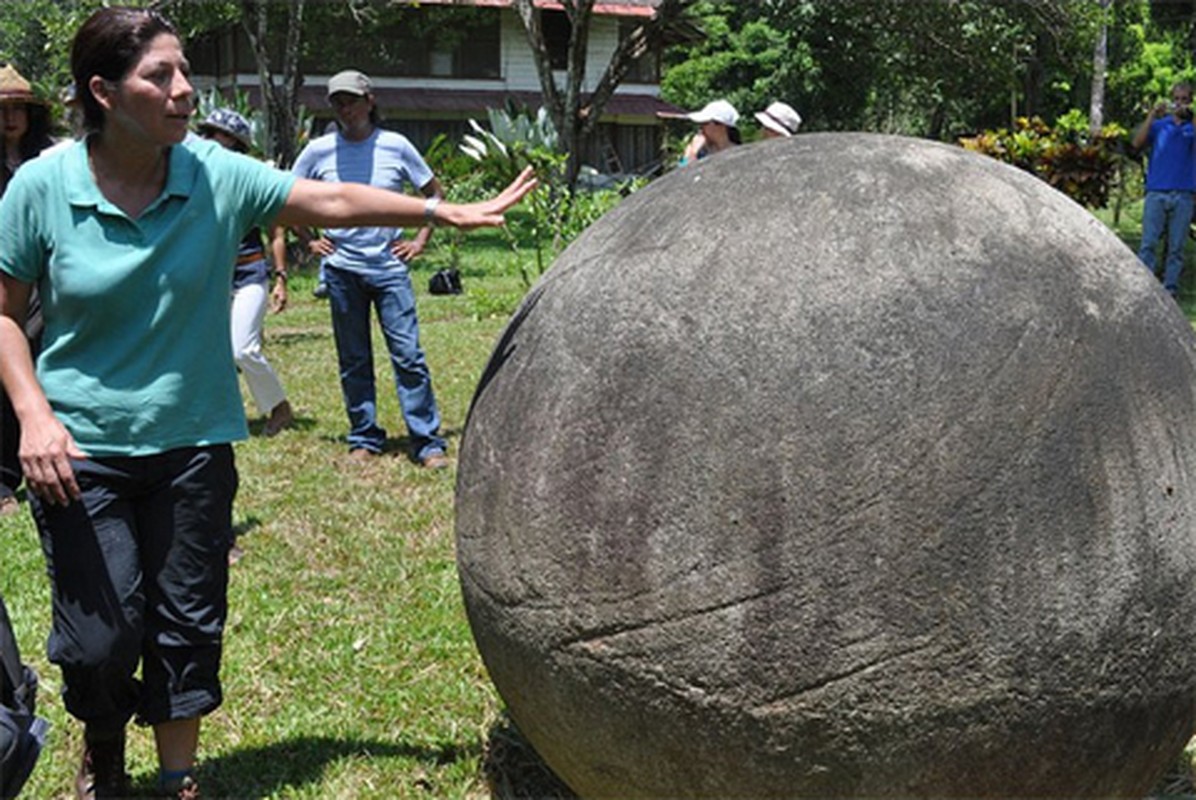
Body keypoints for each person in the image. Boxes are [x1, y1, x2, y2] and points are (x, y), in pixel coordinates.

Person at [0, 7, 534, 799]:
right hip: (82, 449)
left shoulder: (213, 174)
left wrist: (438, 210)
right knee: (99, 641)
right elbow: (5, 313)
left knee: (187, 622)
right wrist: (35, 416)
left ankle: (178, 776)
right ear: (103, 93)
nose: (185, 91)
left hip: (192, 444)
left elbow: (330, 202)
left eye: (185, 72)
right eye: (161, 77)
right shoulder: (42, 187)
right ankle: (104, 749)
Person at [287, 69, 450, 468]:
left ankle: (427, 442)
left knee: (408, 355)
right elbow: (284, 196)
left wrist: (419, 241)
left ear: (370, 101)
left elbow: (434, 192)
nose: (346, 107)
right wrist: (308, 239)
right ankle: (364, 436)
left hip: (389, 268)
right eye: (338, 101)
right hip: (342, 271)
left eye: (352, 99)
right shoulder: (318, 151)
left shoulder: (396, 145)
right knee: (354, 358)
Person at [196, 108, 294, 437]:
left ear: (236, 145)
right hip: (212, 276)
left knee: (243, 348)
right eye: (205, 134)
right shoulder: (192, 179)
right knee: (210, 351)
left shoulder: (251, 181)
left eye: (216, 136)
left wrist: (281, 277)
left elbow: (277, 233)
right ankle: (218, 414)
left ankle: (279, 408)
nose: (208, 141)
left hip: (250, 273)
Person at [0, 64, 54, 517]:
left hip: (39, 277)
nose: (11, 118)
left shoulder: (47, 160)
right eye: (3, 110)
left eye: (20, 109)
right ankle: (2, 481)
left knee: (37, 364)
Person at [1133, 81, 1196, 300]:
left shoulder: (1191, 127)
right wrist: (1152, 115)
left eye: (1184, 100)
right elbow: (1137, 142)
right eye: (1176, 99)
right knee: (1149, 242)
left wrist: (1191, 118)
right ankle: (1144, 288)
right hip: (1156, 192)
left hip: (1184, 194)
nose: (1179, 104)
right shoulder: (1161, 125)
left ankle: (1170, 289)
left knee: (1176, 248)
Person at [662, 99, 740, 166]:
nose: (701, 128)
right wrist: (692, 154)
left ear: (721, 126)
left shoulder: (739, 152)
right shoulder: (698, 152)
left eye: (705, 123)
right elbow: (679, 173)